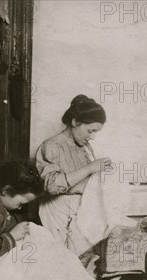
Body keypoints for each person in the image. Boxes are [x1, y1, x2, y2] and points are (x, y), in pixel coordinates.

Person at [35, 94, 113, 253]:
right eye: (90, 131)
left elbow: (88, 182)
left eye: (96, 132)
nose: (93, 137)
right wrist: (91, 168)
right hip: (57, 209)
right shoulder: (51, 145)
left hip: (81, 208)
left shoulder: (85, 147)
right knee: (59, 258)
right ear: (75, 122)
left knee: (84, 259)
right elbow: (52, 186)